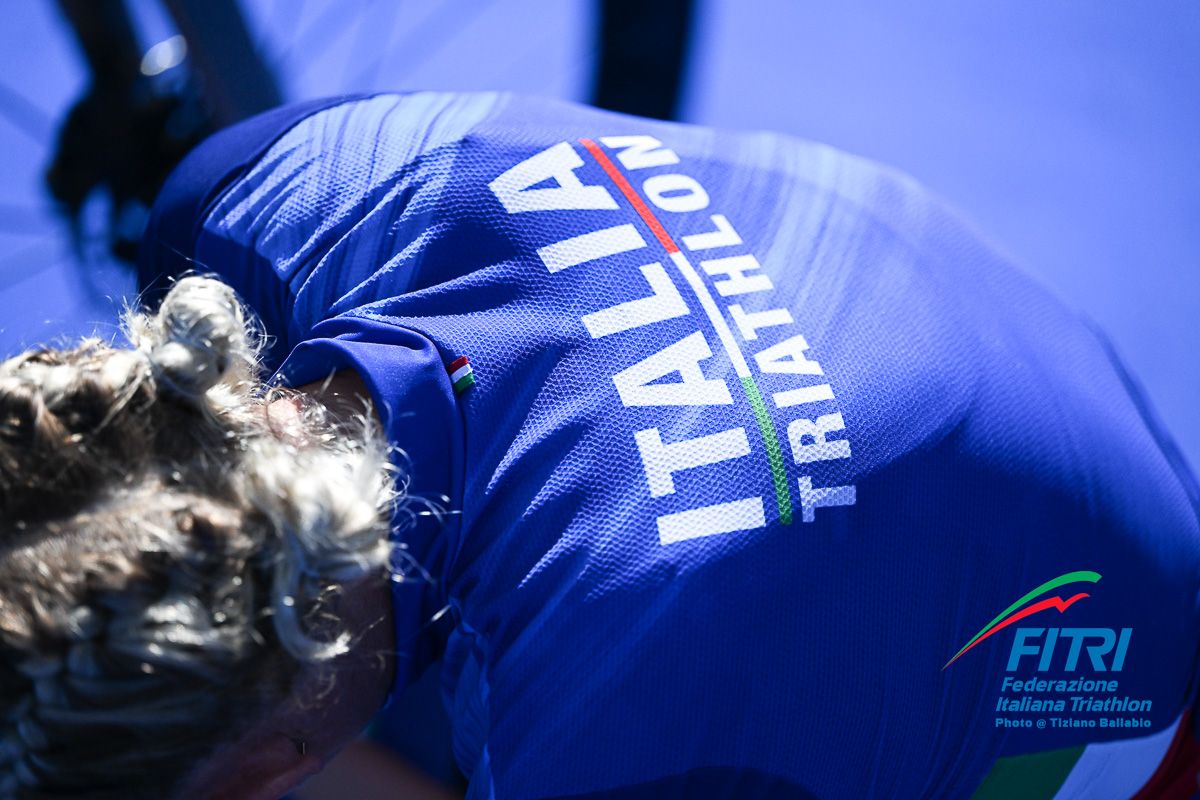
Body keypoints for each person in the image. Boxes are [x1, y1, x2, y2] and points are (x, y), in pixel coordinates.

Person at [2, 91, 1199, 799]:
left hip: (1143, 697)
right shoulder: (249, 199)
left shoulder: (631, 711)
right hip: (971, 330)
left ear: (267, 777)